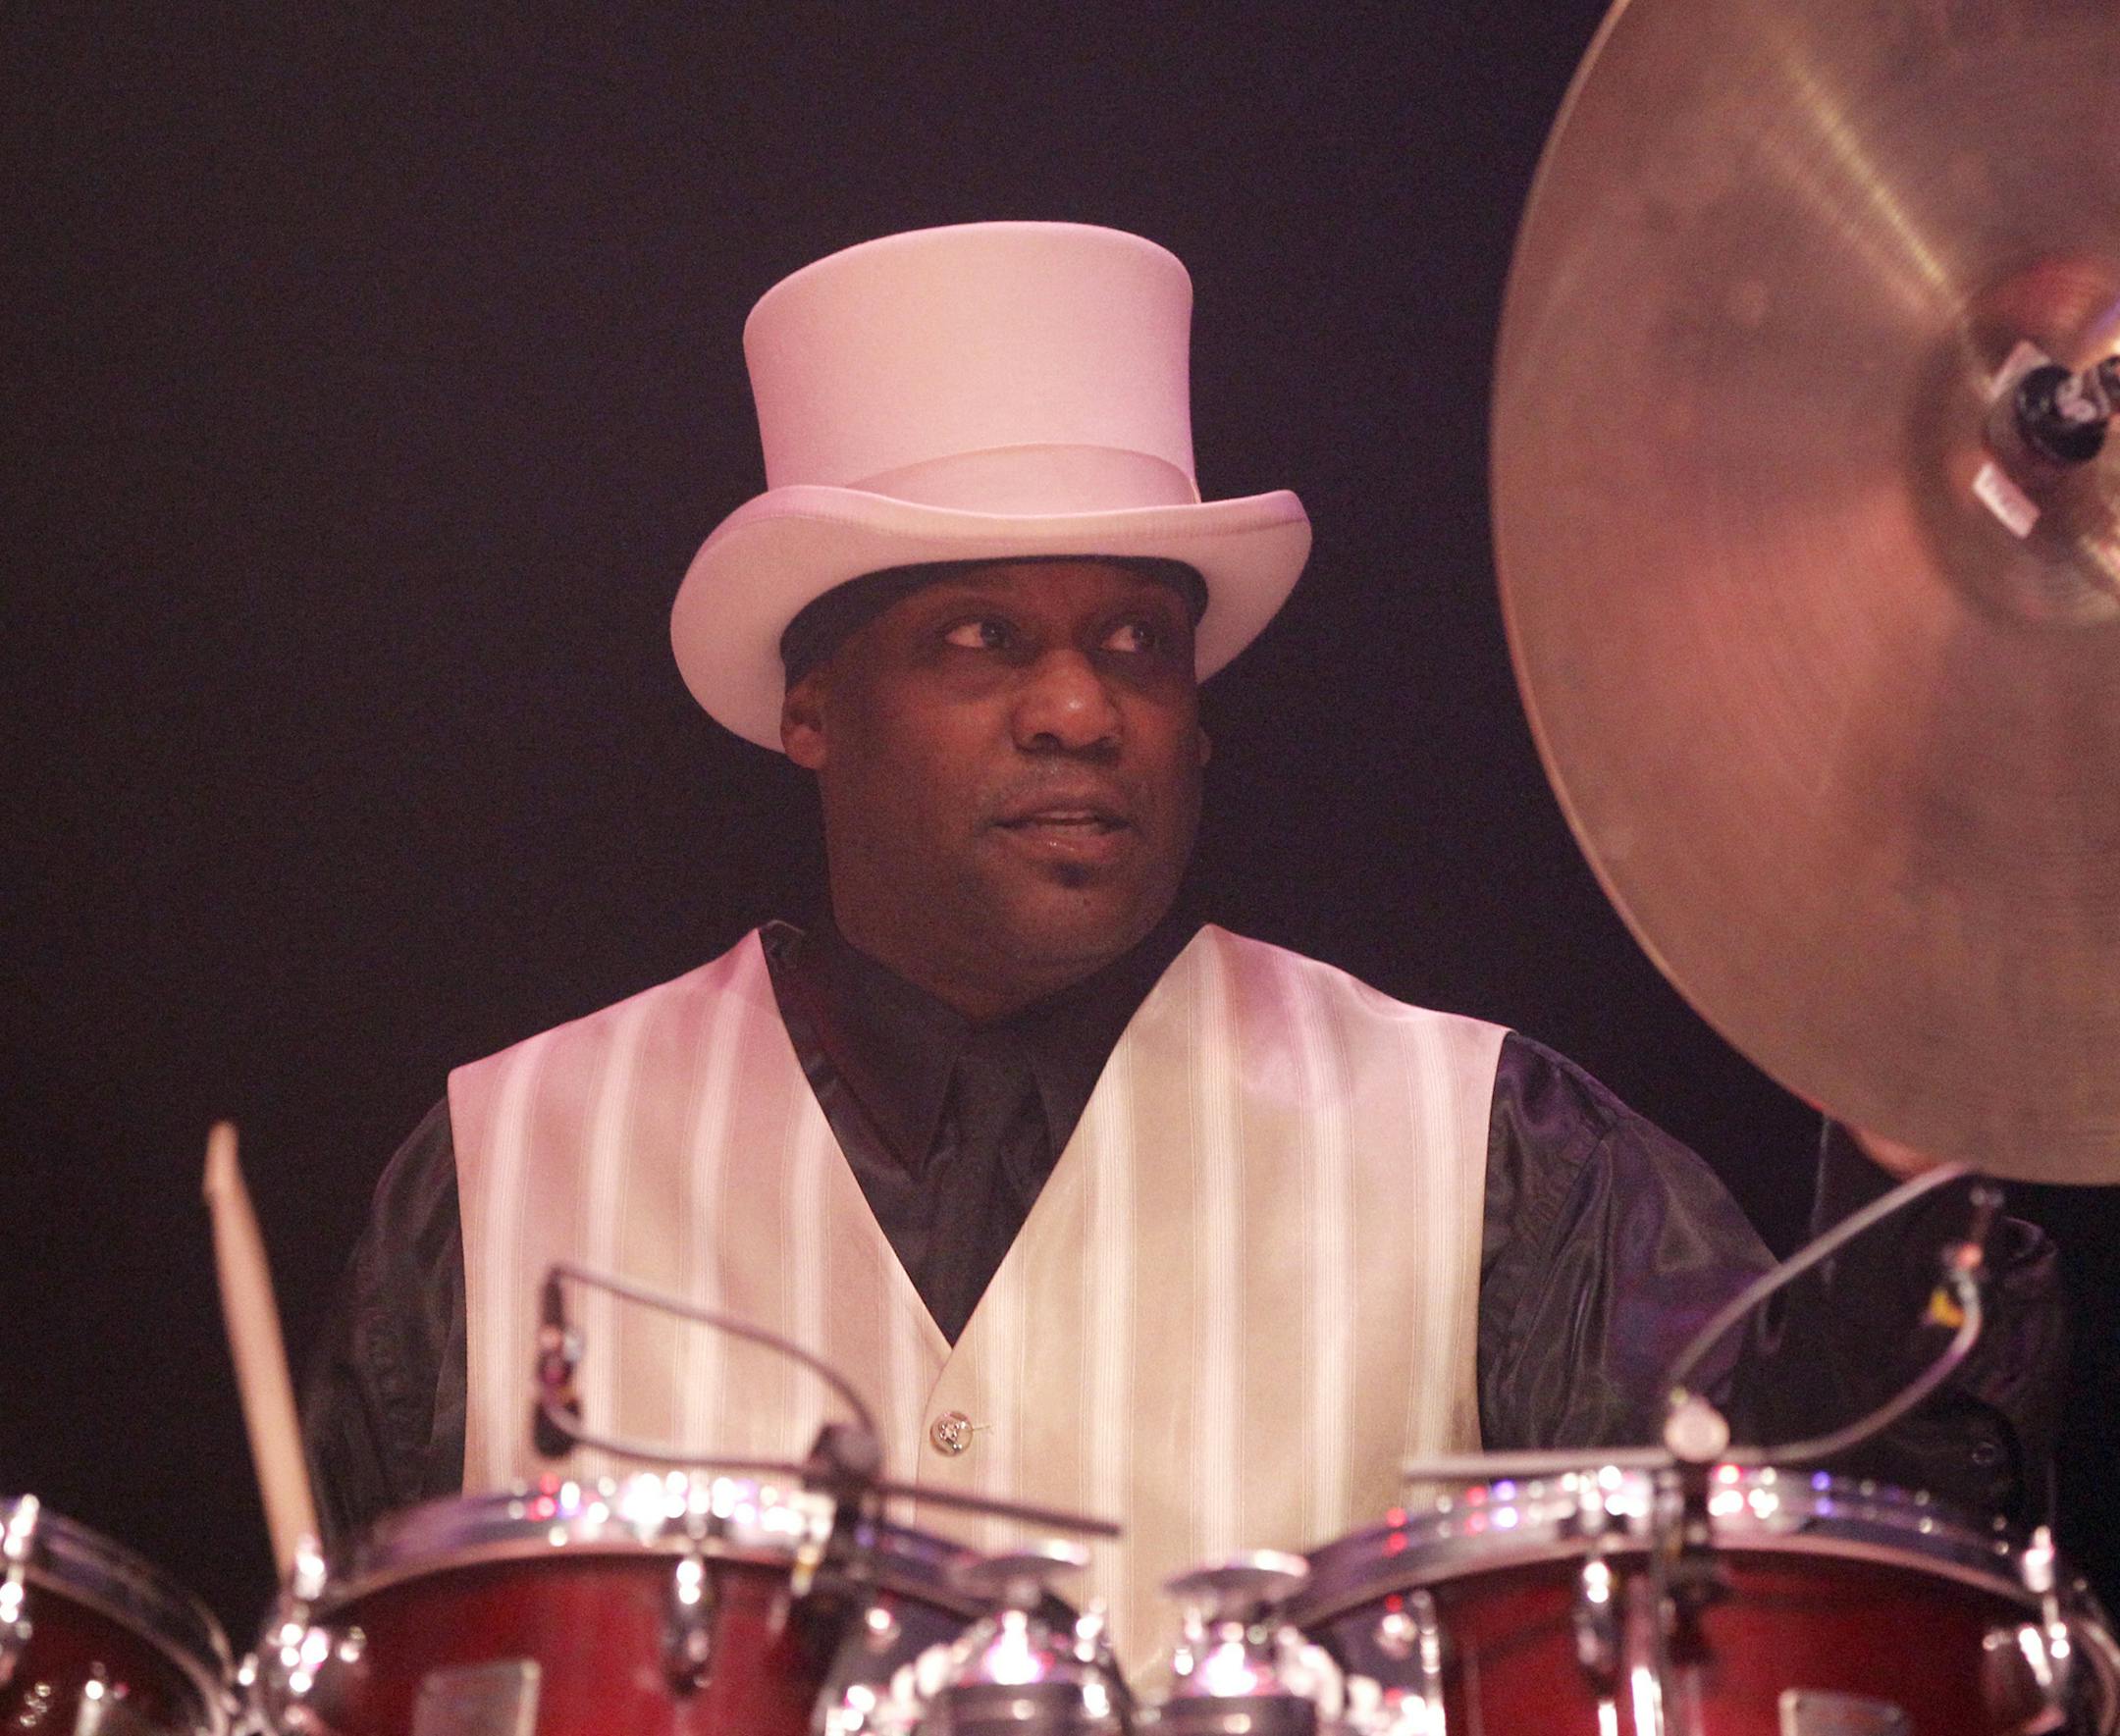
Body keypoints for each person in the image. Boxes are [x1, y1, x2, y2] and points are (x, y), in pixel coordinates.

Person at [303, 221, 2061, 1650]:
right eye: (982, 636)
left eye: (1139, 642)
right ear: (813, 706)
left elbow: (1830, 1609)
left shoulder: (1497, 1162)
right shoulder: (498, 1172)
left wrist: (1914, 1095)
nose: (1079, 709)